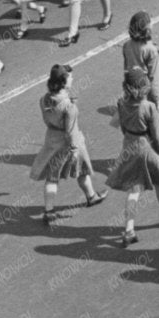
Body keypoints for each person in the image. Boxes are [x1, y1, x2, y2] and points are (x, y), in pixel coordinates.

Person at [106, 70, 159, 248]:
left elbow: (122, 127)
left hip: (129, 146)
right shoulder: (149, 107)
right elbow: (157, 135)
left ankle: (129, 229)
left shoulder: (121, 103)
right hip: (147, 148)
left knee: (133, 190)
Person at [32, 60, 104, 220]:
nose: (72, 79)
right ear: (63, 82)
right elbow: (70, 131)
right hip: (69, 141)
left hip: (52, 140)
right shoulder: (69, 107)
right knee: (82, 170)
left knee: (52, 177)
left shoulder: (45, 99)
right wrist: (74, 149)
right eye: (70, 77)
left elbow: (51, 112)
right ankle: (91, 196)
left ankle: (49, 210)